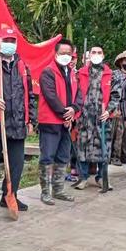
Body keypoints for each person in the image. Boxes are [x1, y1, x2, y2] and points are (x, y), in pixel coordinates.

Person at [0, 27, 37, 216]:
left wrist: (30, 120)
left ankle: (9, 195)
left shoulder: (22, 66)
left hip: (17, 122)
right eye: (6, 41)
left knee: (16, 165)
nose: (9, 45)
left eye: (12, 41)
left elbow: (30, 96)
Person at [37, 39, 81, 205]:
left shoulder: (72, 73)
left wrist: (74, 109)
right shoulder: (48, 72)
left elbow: (79, 95)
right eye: (62, 53)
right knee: (48, 157)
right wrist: (66, 113)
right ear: (55, 54)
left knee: (63, 156)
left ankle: (58, 189)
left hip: (67, 123)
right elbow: (51, 97)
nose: (65, 56)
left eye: (68, 54)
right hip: (51, 122)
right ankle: (45, 192)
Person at [75, 45, 120, 191]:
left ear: (103, 55)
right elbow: (74, 93)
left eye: (99, 52)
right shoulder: (80, 73)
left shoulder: (110, 74)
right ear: (89, 55)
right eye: (93, 52)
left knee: (104, 148)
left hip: (103, 118)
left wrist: (108, 111)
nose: (96, 54)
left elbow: (116, 95)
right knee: (83, 147)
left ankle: (101, 177)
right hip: (85, 117)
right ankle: (83, 177)